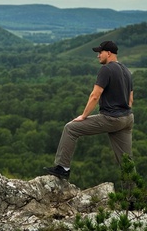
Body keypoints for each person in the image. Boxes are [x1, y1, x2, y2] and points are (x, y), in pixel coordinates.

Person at [44, 41, 134, 179]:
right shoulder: (126, 71)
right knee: (126, 161)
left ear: (108, 53)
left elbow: (95, 96)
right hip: (127, 119)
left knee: (71, 128)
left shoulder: (106, 69)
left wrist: (84, 115)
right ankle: (133, 197)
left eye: (100, 52)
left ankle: (63, 168)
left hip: (112, 118)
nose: (98, 56)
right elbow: (130, 100)